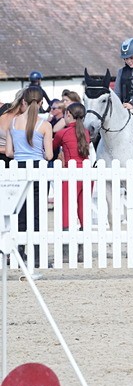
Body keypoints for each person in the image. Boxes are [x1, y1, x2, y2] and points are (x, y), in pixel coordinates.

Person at [5, 87, 54, 268]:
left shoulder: (13, 122)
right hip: (37, 169)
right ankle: (37, 256)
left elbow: (9, 152)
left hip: (18, 170)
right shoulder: (45, 125)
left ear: (23, 102)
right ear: (41, 103)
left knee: (19, 213)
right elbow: (49, 155)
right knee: (38, 213)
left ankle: (17, 253)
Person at [53, 102, 91, 232]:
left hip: (70, 174)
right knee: (83, 208)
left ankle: (66, 240)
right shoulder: (86, 132)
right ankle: (83, 240)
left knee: (66, 207)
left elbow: (51, 149)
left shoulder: (62, 133)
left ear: (68, 114)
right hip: (87, 174)